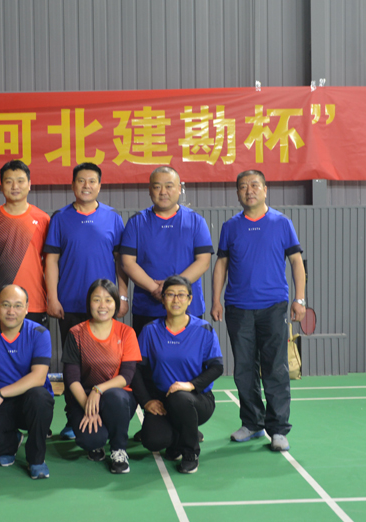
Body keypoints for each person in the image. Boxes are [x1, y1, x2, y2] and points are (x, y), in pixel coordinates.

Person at [211, 169, 306, 452]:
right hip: (238, 309)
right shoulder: (230, 227)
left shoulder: (281, 223)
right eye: (243, 187)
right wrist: (216, 300)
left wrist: (300, 300)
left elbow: (296, 262)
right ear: (237, 193)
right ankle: (252, 423)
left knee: (275, 368)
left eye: (254, 185)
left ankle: (278, 429)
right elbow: (221, 265)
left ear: (265, 189)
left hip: (273, 307)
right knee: (244, 369)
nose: (249, 190)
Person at [44, 162, 128, 439]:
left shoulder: (113, 218)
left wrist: (122, 296)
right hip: (70, 305)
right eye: (81, 181)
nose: (87, 186)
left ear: (100, 186)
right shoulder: (60, 218)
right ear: (73, 185)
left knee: (106, 365)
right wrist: (52, 297)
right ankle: (73, 419)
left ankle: (108, 414)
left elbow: (121, 262)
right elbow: (51, 260)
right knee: (73, 369)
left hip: (104, 309)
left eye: (92, 181)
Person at [132, 275, 223, 474]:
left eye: (181, 295)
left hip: (197, 399)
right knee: (152, 440)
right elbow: (136, 370)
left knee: (180, 397)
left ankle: (190, 453)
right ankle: (182, 435)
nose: (176, 299)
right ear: (163, 299)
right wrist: (147, 401)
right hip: (162, 401)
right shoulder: (150, 330)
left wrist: (190, 385)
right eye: (170, 294)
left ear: (190, 299)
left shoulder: (204, 329)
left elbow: (217, 367)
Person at [0, 284, 55, 479]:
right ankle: (11, 441)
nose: (11, 311)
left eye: (17, 305)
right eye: (6, 305)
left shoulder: (39, 333)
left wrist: (1, 393)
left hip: (30, 402)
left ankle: (36, 459)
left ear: (27, 308)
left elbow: (39, 377)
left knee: (40, 397)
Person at [120, 166, 213, 336]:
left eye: (169, 186)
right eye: (157, 187)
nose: (163, 192)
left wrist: (172, 290)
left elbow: (203, 261)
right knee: (145, 353)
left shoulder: (196, 221)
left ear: (179, 188)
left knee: (188, 353)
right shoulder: (136, 222)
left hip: (188, 308)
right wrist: (154, 289)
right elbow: (127, 263)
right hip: (147, 307)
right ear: (150, 190)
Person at [61, 279, 140, 474]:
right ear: (89, 303)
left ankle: (118, 449)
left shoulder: (127, 332)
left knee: (115, 396)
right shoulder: (76, 333)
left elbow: (126, 376)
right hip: (84, 397)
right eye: (97, 300)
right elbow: (72, 378)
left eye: (108, 300)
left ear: (116, 304)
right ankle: (98, 441)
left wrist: (98, 390)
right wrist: (89, 406)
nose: (102, 305)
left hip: (117, 398)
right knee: (91, 440)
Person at [0, 160, 50, 327]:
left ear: (29, 184)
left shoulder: (43, 219)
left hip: (34, 302)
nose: (15, 186)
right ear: (1, 185)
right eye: (9, 181)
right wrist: (2, 272)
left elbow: (50, 261)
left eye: (20, 181)